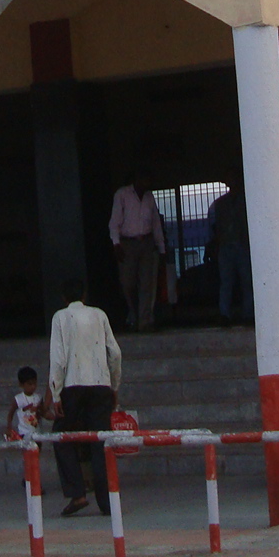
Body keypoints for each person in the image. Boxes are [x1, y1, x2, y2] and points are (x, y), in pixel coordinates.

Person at [46, 278, 122, 517]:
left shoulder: (60, 317)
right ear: (85, 295)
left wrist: (56, 394)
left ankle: (77, 493)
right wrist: (114, 385)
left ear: (63, 297)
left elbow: (58, 360)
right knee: (100, 441)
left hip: (73, 385)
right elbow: (115, 352)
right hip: (101, 385)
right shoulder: (99, 315)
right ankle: (107, 502)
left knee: (62, 437)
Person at [108, 174, 166, 331]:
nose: (147, 182)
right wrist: (116, 243)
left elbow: (155, 223)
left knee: (147, 283)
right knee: (128, 283)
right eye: (144, 179)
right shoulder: (122, 195)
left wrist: (161, 248)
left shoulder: (149, 197)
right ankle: (134, 314)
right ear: (136, 180)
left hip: (146, 242)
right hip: (127, 243)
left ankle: (144, 321)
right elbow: (114, 221)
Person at [209, 185, 251, 324]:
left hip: (240, 244)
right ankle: (226, 314)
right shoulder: (221, 203)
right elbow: (214, 225)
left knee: (244, 281)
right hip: (228, 245)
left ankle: (246, 313)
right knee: (229, 281)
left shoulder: (224, 202)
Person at [5, 365, 43, 443]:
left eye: (34, 383)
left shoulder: (39, 397)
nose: (33, 386)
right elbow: (10, 414)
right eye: (30, 384)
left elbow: (43, 411)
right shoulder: (18, 399)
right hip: (24, 433)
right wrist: (9, 427)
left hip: (37, 432)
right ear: (22, 385)